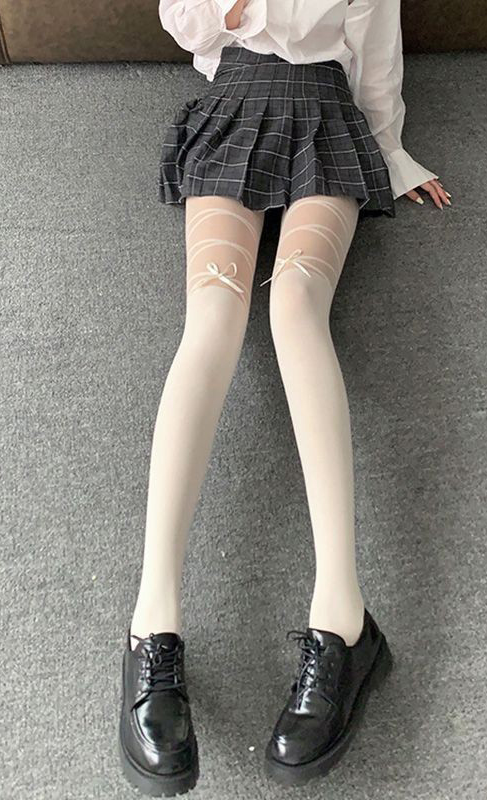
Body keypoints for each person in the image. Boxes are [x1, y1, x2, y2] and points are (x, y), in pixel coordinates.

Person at [119, 0, 451, 794]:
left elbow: (377, 62)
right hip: (233, 102)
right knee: (212, 313)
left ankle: (344, 617)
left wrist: (393, 154)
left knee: (296, 309)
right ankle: (150, 623)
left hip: (329, 117)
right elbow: (185, 24)